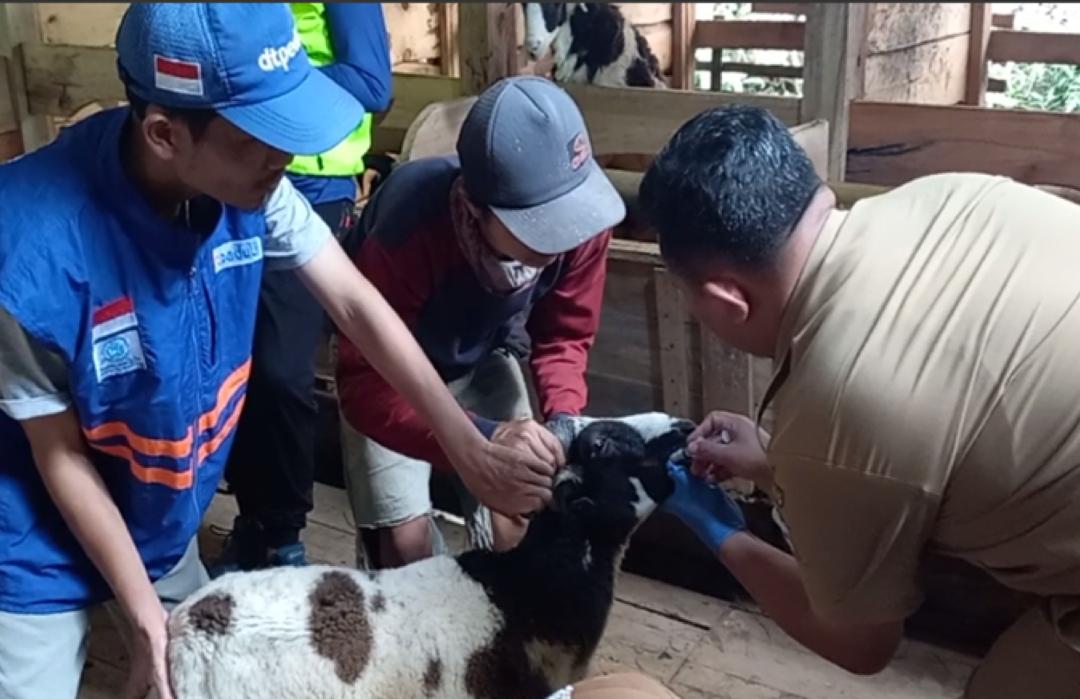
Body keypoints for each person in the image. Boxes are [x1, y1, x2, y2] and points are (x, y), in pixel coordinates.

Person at [0, 5, 558, 699]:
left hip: (155, 513)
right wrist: (143, 617)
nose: (285, 155)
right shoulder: (27, 254)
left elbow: (353, 302)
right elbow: (59, 454)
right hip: (34, 542)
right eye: (259, 136)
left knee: (196, 674)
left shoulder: (247, 188)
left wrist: (466, 445)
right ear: (165, 134)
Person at [638, 104, 1080, 698]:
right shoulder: (945, 196)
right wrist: (779, 465)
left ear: (725, 300)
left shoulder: (838, 398)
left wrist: (720, 530)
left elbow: (861, 644)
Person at [335, 75, 625, 568]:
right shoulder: (411, 220)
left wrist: (565, 422)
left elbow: (564, 334)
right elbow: (364, 381)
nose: (562, 238)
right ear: (474, 206)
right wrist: (482, 438)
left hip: (485, 351)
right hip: (391, 372)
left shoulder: (584, 222)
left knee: (521, 512)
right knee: (404, 549)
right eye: (538, 223)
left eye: (567, 216)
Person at [217, 1, 393, 575]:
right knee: (237, 355)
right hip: (236, 170)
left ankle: (283, 535)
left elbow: (372, 82)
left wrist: (259, 77)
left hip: (313, 181)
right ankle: (254, 522)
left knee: (280, 366)